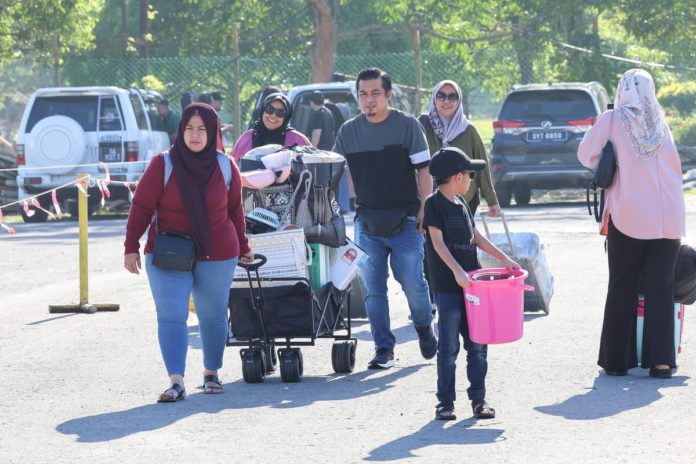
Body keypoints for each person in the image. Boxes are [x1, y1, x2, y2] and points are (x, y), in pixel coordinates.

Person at [124, 103, 253, 402]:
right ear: (181, 130)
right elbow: (141, 207)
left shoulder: (225, 166)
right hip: (169, 251)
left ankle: (211, 373)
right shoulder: (163, 164)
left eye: (202, 129)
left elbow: (235, 211)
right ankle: (176, 381)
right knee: (171, 314)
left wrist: (244, 246)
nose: (195, 135)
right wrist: (131, 247)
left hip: (217, 251)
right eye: (190, 129)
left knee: (213, 314)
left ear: (213, 132)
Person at [578, 69, 686, 379]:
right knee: (660, 288)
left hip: (629, 216)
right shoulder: (661, 123)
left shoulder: (612, 119)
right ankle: (661, 363)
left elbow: (586, 155)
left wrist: (611, 155)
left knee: (622, 285)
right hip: (668, 219)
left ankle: (616, 361)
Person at [332, 67, 438, 369]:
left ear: (388, 95)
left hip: (407, 220)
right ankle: (384, 349)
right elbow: (332, 170)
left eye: (375, 93)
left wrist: (425, 208)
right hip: (367, 222)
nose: (369, 99)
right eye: (363, 94)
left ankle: (424, 327)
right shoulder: (348, 131)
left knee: (413, 283)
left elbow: (424, 170)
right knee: (373, 289)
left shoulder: (407, 126)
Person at [423, 147, 520, 421]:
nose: (470, 180)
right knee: (448, 348)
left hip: (473, 289)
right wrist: (456, 271)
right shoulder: (433, 204)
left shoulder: (462, 203)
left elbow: (475, 236)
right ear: (457, 177)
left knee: (478, 344)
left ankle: (479, 399)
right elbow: (437, 243)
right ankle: (445, 402)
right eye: (469, 175)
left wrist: (504, 258)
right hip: (449, 288)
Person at [420, 80, 501, 217]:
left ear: (459, 100)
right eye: (441, 96)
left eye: (452, 97)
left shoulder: (468, 130)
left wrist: (492, 201)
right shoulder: (422, 126)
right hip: (430, 201)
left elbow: (482, 167)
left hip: (464, 200)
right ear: (434, 98)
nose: (446, 101)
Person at [232, 93, 310, 163]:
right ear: (263, 110)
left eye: (280, 112)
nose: (273, 115)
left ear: (286, 117)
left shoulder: (297, 140)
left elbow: (311, 167)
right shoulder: (247, 138)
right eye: (270, 109)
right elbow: (234, 169)